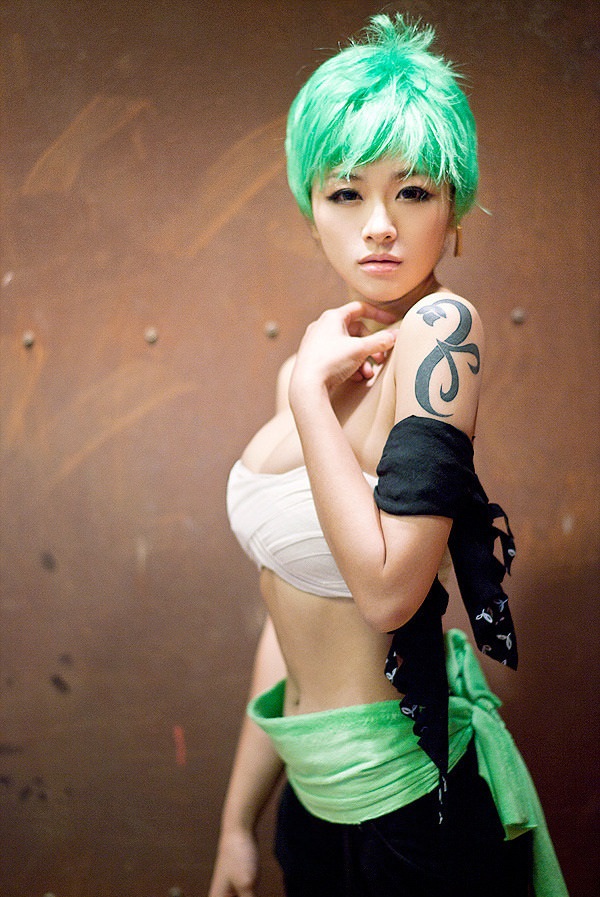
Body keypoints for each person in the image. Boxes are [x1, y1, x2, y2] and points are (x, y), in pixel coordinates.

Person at [209, 13, 568, 897]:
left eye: (412, 191)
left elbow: (387, 591)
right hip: (308, 795)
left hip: (406, 805)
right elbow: (285, 615)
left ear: (453, 210)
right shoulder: (313, 362)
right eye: (346, 193)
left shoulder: (442, 331)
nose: (378, 225)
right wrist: (237, 821)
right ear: (311, 212)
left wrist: (307, 397)